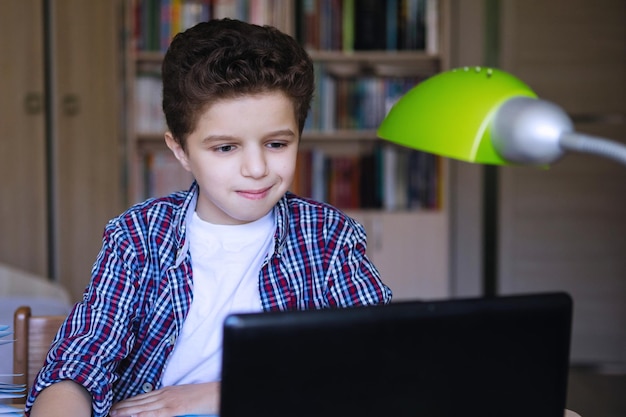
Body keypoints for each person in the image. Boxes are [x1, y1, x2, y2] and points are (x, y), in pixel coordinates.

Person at [26, 18, 392, 417]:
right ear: (180, 150)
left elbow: (378, 357)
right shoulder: (138, 237)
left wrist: (224, 391)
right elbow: (77, 367)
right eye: (225, 148)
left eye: (276, 143)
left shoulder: (327, 237)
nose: (256, 168)